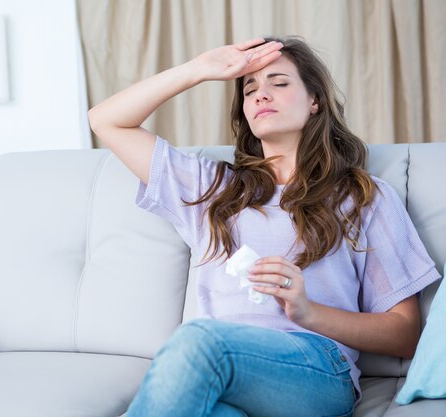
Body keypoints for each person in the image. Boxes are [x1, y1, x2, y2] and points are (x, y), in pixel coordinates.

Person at [88, 36, 441, 417]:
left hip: (315, 369)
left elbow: (405, 334)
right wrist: (198, 69)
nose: (261, 94)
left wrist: (308, 311)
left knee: (198, 341)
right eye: (250, 88)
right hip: (219, 369)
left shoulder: (362, 196)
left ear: (314, 101)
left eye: (280, 82)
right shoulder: (211, 188)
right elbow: (106, 121)